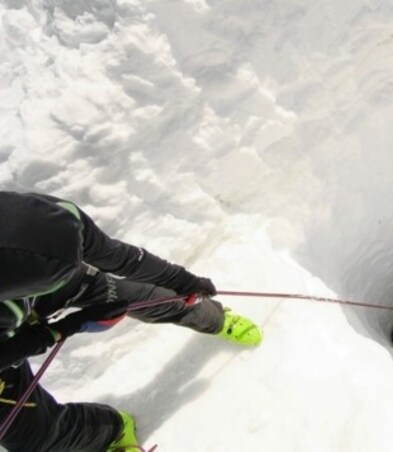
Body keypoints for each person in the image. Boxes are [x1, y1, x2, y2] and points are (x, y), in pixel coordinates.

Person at [0, 191, 262, 451]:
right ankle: (110, 432)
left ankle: (214, 317)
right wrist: (66, 328)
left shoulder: (55, 219)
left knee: (142, 297)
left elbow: (118, 256)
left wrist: (180, 280)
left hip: (42, 279)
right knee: (31, 437)